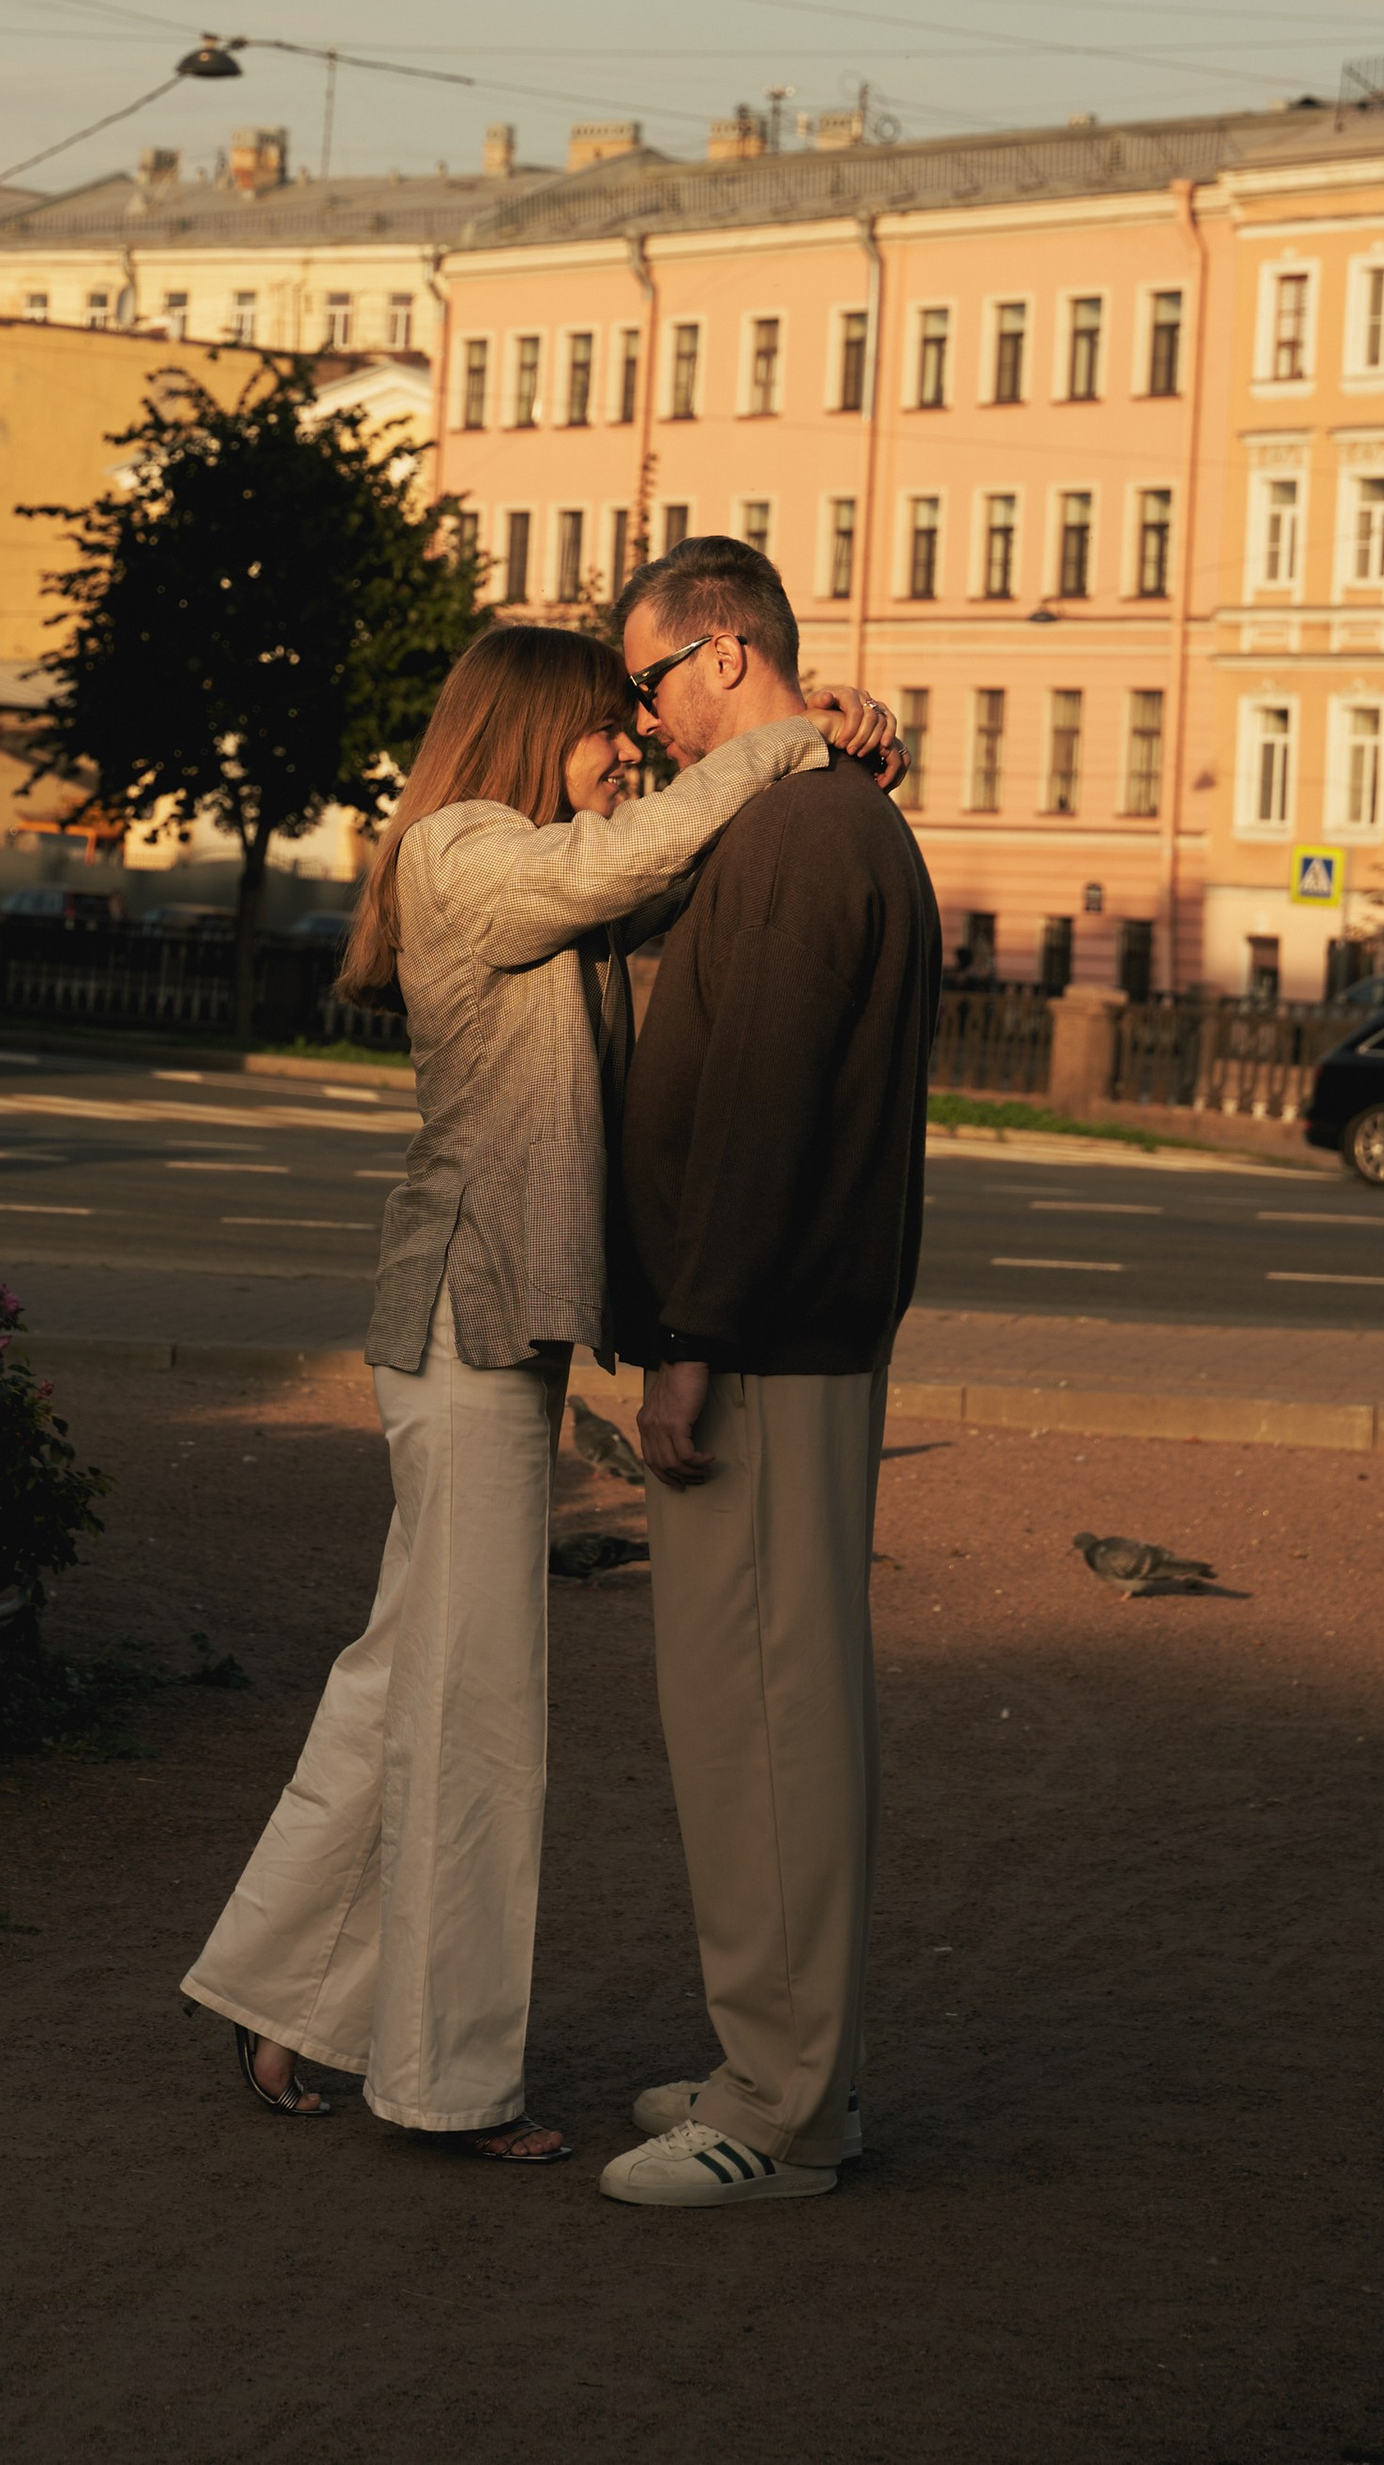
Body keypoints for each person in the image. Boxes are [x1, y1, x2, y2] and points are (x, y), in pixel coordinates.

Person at [180, 617, 898, 2161]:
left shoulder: (548, 851)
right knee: (476, 1707)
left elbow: (686, 871)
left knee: (409, 1678)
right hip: (465, 1328)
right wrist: (790, 735)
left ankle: (280, 1991)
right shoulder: (464, 849)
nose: (629, 750)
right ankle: (443, 2081)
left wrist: (819, 745)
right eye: (606, 727)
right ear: (531, 723)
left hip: (492, 1330)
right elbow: (624, 864)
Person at [598, 534, 939, 2212]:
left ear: (725, 656)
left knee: (764, 1719)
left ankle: (784, 2110)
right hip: (791, 1330)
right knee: (760, 1710)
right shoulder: (816, 812)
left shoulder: (802, 834)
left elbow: (759, 1111)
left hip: (764, 1339)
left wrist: (692, 1342)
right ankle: (786, 2069)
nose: (646, 721)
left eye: (651, 683)